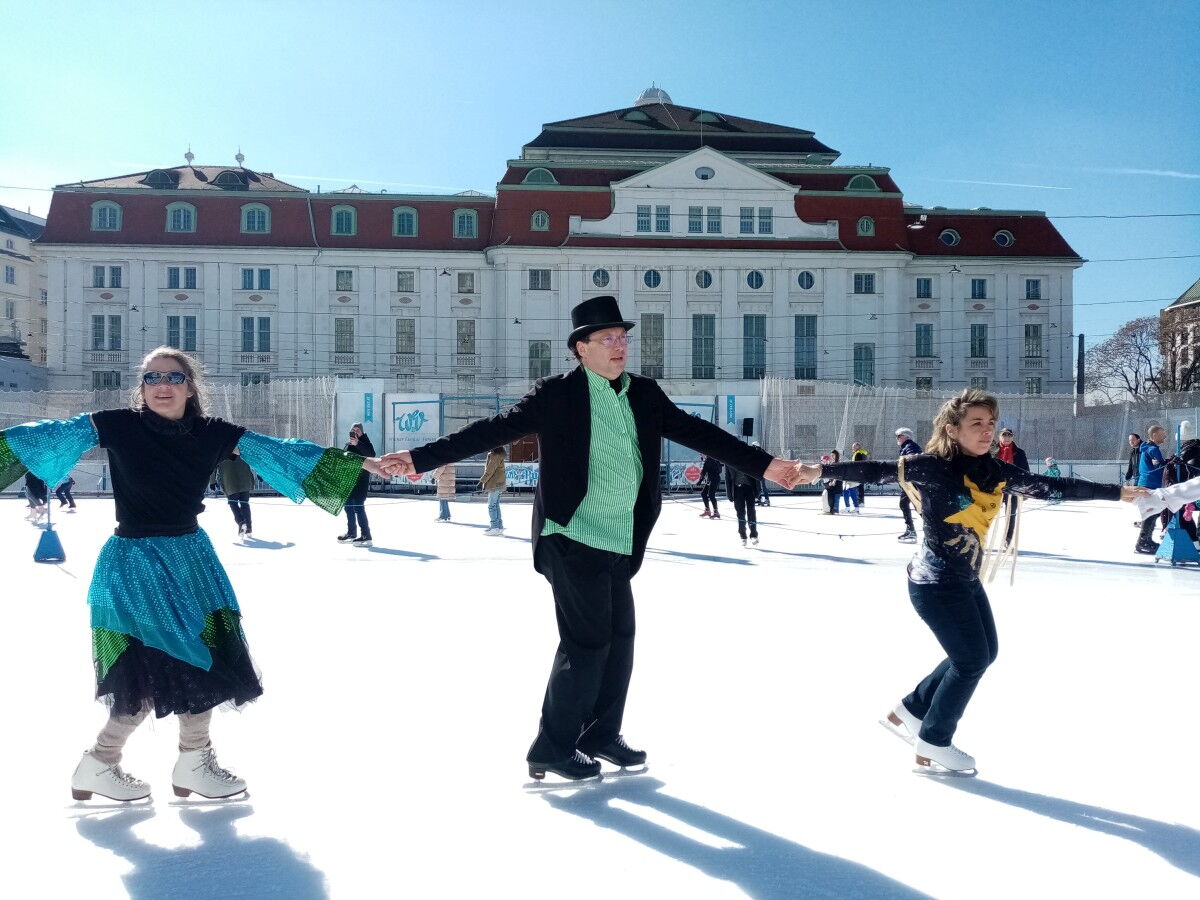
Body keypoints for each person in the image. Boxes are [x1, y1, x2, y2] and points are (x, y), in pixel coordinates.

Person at [379, 296, 798, 781]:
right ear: (582, 348)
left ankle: (599, 734)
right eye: (608, 338)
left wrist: (768, 466)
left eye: (623, 337)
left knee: (620, 640)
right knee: (587, 643)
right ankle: (552, 747)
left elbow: (701, 434)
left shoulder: (644, 394)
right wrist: (418, 458)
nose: (620, 345)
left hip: (620, 536)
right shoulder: (557, 395)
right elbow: (489, 431)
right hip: (571, 534)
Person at [0, 347, 386, 802]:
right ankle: (174, 761)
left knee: (184, 659)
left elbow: (282, 453)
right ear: (141, 387)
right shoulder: (116, 424)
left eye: (173, 377)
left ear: (190, 386)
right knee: (174, 659)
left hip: (191, 558)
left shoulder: (213, 433)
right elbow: (38, 438)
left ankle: (121, 762)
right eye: (151, 378)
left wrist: (362, 462)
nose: (162, 386)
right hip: (136, 562)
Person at [797, 389, 1142, 774]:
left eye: (990, 423)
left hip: (965, 578)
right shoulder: (932, 466)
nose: (987, 430)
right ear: (952, 429)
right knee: (971, 659)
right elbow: (875, 470)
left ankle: (912, 709)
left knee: (983, 653)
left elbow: (1053, 486)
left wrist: (1117, 493)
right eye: (976, 423)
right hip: (933, 584)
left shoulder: (996, 471)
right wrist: (820, 471)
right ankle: (934, 740)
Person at [337, 423, 375, 547]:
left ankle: (366, 535)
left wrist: (358, 443)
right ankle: (351, 533)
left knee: (358, 507)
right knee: (348, 507)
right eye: (353, 430)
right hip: (348, 481)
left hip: (360, 481)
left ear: (362, 432)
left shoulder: (365, 442)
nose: (355, 432)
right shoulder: (348, 444)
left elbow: (371, 454)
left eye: (358, 430)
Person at [1135, 425, 1167, 553]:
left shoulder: (1146, 448)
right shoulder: (1153, 450)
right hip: (1151, 485)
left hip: (1147, 484)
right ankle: (1142, 542)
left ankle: (1146, 540)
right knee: (1151, 513)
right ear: (1154, 435)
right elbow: (1160, 466)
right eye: (1162, 434)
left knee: (1153, 512)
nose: (1164, 436)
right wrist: (1170, 463)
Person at [996, 428, 1029, 547]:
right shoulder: (992, 450)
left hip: (1013, 488)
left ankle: (1008, 540)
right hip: (995, 488)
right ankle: (982, 540)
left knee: (1011, 515)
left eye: (1009, 435)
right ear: (999, 437)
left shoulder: (1019, 453)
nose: (1006, 437)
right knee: (986, 514)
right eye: (1004, 435)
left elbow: (1025, 471)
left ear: (1012, 437)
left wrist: (1025, 490)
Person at [217, 449, 255, 538]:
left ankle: (241, 522)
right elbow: (253, 460)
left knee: (233, 503)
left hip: (229, 481)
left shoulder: (221, 448)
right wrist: (261, 473)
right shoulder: (242, 447)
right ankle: (248, 529)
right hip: (245, 480)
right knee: (245, 504)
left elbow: (213, 464)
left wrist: (212, 481)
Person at [895, 428, 922, 542]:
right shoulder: (905, 447)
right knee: (913, 505)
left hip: (912, 483)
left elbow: (912, 458)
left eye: (899, 436)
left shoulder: (910, 446)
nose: (897, 438)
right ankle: (911, 530)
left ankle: (935, 529)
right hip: (909, 483)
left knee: (918, 506)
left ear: (906, 436)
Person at [725, 462, 760, 546]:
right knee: (740, 513)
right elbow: (727, 477)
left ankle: (753, 535)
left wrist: (758, 490)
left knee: (751, 511)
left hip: (750, 487)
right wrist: (729, 493)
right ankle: (743, 536)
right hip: (737, 488)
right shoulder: (728, 459)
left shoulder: (749, 456)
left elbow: (757, 473)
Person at [481, 446, 507, 535]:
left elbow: (489, 471)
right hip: (499, 483)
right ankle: (499, 527)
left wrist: (482, 482)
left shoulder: (494, 455)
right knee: (496, 505)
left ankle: (495, 527)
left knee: (491, 506)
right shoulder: (500, 454)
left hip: (494, 484)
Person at [698, 454, 722, 519]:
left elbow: (704, 471)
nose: (700, 455)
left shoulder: (709, 460)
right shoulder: (712, 459)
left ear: (705, 454)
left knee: (711, 495)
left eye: (701, 454)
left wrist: (700, 481)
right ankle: (707, 510)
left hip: (714, 479)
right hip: (711, 479)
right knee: (703, 493)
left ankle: (716, 512)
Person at [820, 450, 842, 514]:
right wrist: (830, 481)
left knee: (837, 497)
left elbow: (838, 473)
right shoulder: (831, 463)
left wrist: (834, 481)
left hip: (837, 483)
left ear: (836, 456)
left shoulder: (838, 464)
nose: (832, 456)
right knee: (832, 497)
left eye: (833, 455)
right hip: (832, 484)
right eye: (831, 455)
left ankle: (836, 509)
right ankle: (832, 509)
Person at [851, 442, 869, 506]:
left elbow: (858, 464)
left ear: (858, 447)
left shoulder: (859, 454)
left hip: (859, 473)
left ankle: (860, 501)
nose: (852, 448)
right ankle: (860, 501)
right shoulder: (861, 453)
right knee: (859, 487)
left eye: (854, 447)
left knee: (859, 487)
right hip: (861, 473)